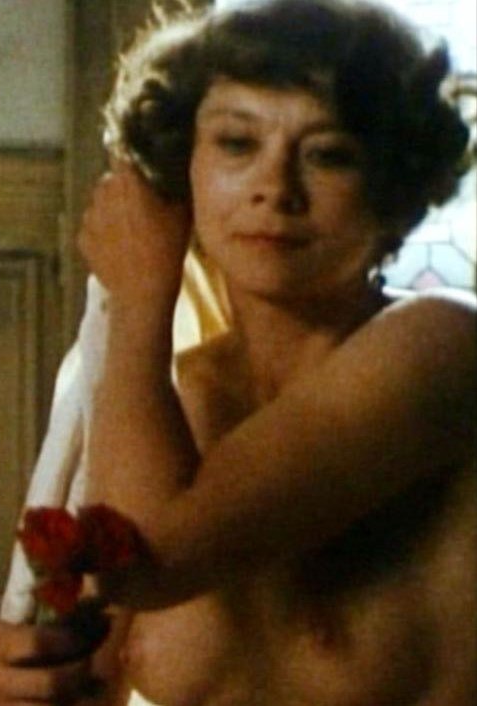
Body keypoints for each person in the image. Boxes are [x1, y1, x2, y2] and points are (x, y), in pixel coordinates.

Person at [77, 0, 476, 704]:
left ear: (394, 189)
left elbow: (146, 561)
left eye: (327, 154)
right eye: (237, 143)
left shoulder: (441, 346)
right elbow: (84, 666)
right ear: (182, 167)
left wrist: (139, 297)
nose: (275, 189)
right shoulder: (175, 399)